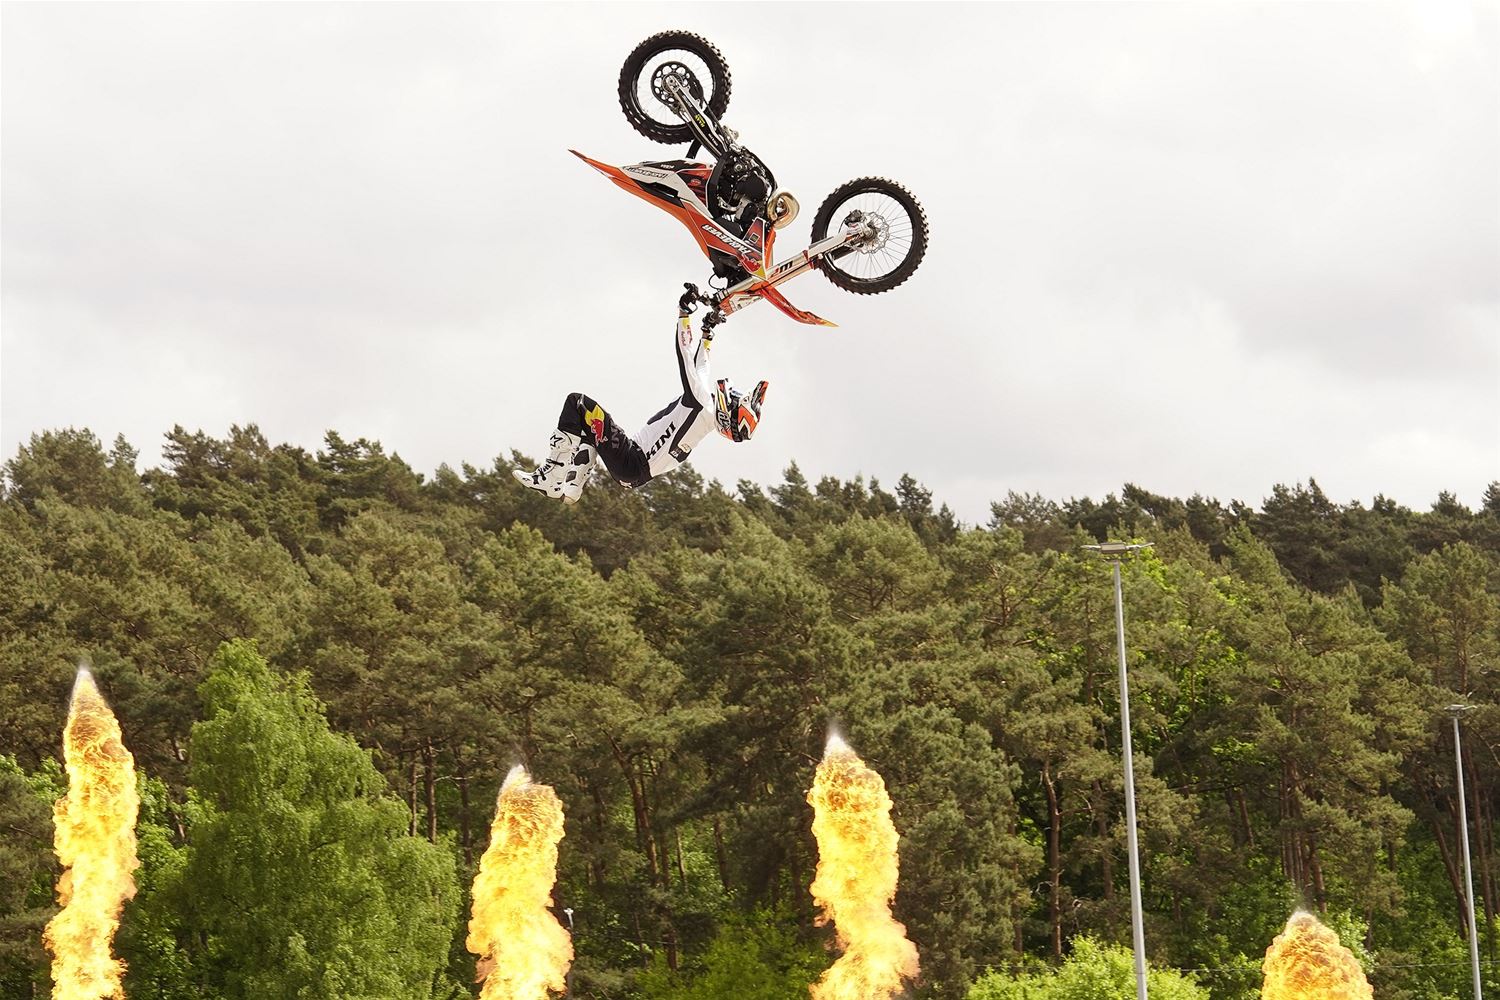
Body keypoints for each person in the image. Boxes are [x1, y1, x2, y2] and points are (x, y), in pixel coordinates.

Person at [513, 286, 768, 504]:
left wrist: (683, 314)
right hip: (634, 474)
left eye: (737, 398)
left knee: (577, 403)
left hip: (631, 459)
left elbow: (686, 357)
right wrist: (707, 333)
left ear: (729, 412)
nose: (733, 393)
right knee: (589, 427)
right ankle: (572, 485)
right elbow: (701, 368)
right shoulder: (705, 415)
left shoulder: (702, 404)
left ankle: (552, 478)